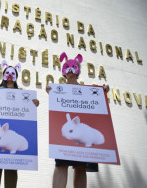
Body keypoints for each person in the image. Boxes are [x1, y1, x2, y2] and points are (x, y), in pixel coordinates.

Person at [46, 52, 109, 188]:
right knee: (61, 165)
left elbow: (97, 105)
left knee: (80, 167)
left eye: (73, 67)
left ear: (78, 70)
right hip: (65, 137)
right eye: (67, 68)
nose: (70, 71)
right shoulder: (57, 90)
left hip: (83, 136)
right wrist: (50, 92)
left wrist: (103, 92)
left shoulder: (87, 91)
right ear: (63, 71)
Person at [0, 60, 39, 188]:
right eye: (8, 73)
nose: (10, 76)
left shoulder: (23, 94)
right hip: (1, 136)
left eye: (13, 74)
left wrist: (34, 103)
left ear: (16, 76)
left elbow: (28, 111)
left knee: (12, 169)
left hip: (13, 134)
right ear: (3, 75)